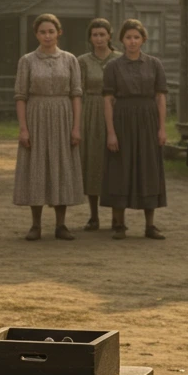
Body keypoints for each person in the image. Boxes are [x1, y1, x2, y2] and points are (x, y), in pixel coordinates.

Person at [14, 14, 83, 240]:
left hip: (63, 116)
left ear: (58, 33)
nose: (47, 36)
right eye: (42, 32)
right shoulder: (27, 61)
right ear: (36, 34)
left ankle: (61, 225)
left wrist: (75, 127)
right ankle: (36, 225)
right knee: (37, 166)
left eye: (51, 31)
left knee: (61, 165)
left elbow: (76, 95)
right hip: (37, 116)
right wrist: (24, 128)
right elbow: (21, 96)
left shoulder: (70, 60)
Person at [102, 19, 167, 240]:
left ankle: (150, 225)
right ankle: (119, 224)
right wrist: (111, 132)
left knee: (148, 168)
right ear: (121, 40)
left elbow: (160, 97)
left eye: (136, 37)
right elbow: (108, 99)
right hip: (122, 119)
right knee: (120, 168)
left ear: (143, 40)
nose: (132, 41)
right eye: (128, 37)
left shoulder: (154, 64)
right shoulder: (113, 66)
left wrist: (161, 128)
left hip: (148, 120)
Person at [78, 18, 116, 230]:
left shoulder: (119, 59)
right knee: (93, 162)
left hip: (116, 110)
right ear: (90, 38)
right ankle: (93, 216)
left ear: (110, 36)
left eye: (102, 34)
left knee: (113, 163)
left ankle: (116, 216)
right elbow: (78, 91)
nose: (99, 39)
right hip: (91, 112)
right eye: (95, 35)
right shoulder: (83, 61)